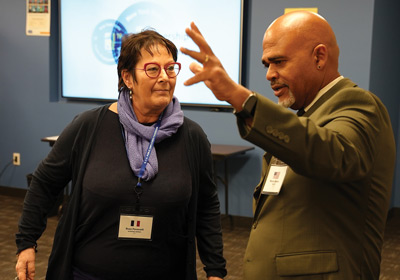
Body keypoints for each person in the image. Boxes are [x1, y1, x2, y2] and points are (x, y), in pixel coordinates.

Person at [180, 11, 396, 279]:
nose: (270, 74)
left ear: (319, 56)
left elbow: (334, 155)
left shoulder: (358, 104)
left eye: (279, 61)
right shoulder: (307, 115)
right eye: (266, 65)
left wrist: (240, 98)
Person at [15, 30, 226, 280]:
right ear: (127, 77)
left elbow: (206, 206)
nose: (164, 78)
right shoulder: (89, 126)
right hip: (89, 273)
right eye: (152, 69)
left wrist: (215, 271)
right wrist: (27, 243)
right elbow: (44, 183)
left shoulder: (191, 136)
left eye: (170, 68)